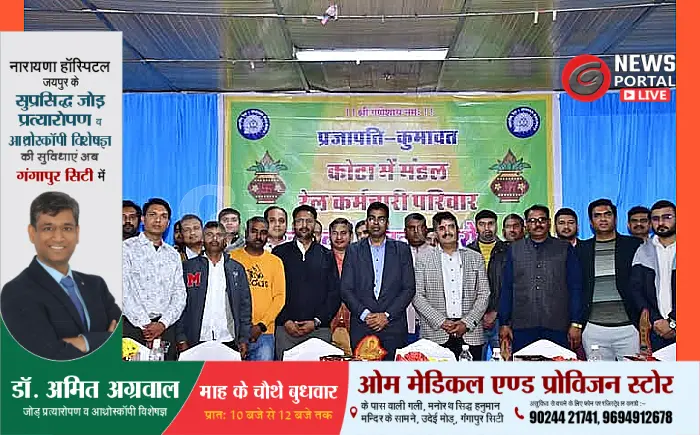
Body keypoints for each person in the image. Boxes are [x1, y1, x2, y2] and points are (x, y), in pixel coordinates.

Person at [1, 192, 121, 361]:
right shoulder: (17, 291)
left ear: (77, 233)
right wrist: (103, 339)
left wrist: (84, 342)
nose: (58, 237)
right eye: (48, 228)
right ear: (32, 233)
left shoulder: (95, 285)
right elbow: (48, 355)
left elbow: (123, 339)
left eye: (67, 228)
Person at [499, 205, 584, 353]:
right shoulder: (514, 249)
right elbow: (507, 287)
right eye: (532, 221)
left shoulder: (564, 248)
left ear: (549, 223)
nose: (537, 224)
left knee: (557, 366)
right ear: (526, 225)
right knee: (524, 365)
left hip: (557, 325)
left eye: (542, 220)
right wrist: (504, 323)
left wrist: (576, 323)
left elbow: (575, 288)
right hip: (523, 325)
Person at [341, 202, 416, 360]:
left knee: (392, 374)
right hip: (362, 326)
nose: (376, 223)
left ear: (387, 223)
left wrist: (386, 316)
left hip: (393, 327)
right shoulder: (353, 250)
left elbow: (408, 288)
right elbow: (346, 289)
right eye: (372, 218)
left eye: (381, 219)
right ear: (367, 222)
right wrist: (366, 315)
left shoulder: (402, 250)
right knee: (362, 374)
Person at [413, 212, 490, 360]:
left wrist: (466, 323)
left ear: (457, 230)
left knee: (472, 375)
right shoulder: (423, 259)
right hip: (435, 334)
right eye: (442, 228)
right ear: (435, 233)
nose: (447, 232)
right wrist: (441, 322)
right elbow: (417, 296)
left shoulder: (475, 257)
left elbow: (484, 294)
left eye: (451, 227)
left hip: (470, 333)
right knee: (436, 375)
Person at [576, 199, 642, 360]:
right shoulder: (581, 249)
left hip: (629, 328)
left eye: (607, 214)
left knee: (634, 375)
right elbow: (577, 288)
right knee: (599, 376)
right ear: (590, 222)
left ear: (616, 218)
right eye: (597, 216)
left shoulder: (633, 245)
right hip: (594, 328)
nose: (603, 219)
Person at [176, 222, 252, 358]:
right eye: (209, 235)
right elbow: (179, 305)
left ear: (225, 240)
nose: (214, 239)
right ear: (202, 239)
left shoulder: (236, 269)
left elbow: (245, 307)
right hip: (195, 339)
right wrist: (181, 338)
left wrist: (243, 338)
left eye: (219, 235)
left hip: (228, 339)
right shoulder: (188, 268)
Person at [272, 206, 340, 358]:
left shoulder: (327, 255)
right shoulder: (279, 253)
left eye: (309, 221)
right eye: (300, 221)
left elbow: (334, 293)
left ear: (314, 224)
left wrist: (316, 321)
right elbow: (273, 291)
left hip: (318, 330)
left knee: (317, 373)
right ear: (293, 225)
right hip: (286, 330)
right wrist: (285, 320)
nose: (304, 225)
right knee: (285, 373)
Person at [122, 198, 186, 361]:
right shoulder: (126, 248)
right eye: (153, 215)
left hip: (165, 327)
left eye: (163, 216)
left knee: (164, 374)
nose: (158, 220)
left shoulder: (173, 255)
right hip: (133, 326)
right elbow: (123, 291)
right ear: (143, 219)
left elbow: (180, 294)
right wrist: (147, 326)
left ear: (168, 222)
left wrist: (162, 324)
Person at [230, 217, 286, 360]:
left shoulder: (275, 262)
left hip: (264, 333)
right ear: (246, 233)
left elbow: (279, 298)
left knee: (262, 374)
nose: (258, 236)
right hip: (234, 332)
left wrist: (261, 326)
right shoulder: (231, 258)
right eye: (254, 231)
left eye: (263, 232)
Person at [629, 200, 676, 352]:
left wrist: (673, 322)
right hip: (656, 329)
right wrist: (656, 320)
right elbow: (636, 290)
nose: (661, 222)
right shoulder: (643, 251)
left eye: (667, 217)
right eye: (656, 219)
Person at [466, 209, 509, 360]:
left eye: (490, 224)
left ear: (496, 226)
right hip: (474, 319)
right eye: (482, 224)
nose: (486, 228)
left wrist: (495, 311)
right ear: (476, 227)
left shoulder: (508, 251)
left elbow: (510, 285)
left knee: (504, 363)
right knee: (475, 363)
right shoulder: (467, 252)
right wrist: (479, 313)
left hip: (502, 319)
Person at [403, 213, 433, 344]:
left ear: (426, 230)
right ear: (405, 231)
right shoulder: (397, 253)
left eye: (420, 228)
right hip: (404, 320)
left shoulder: (437, 254)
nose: (416, 232)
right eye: (411, 228)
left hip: (432, 322)